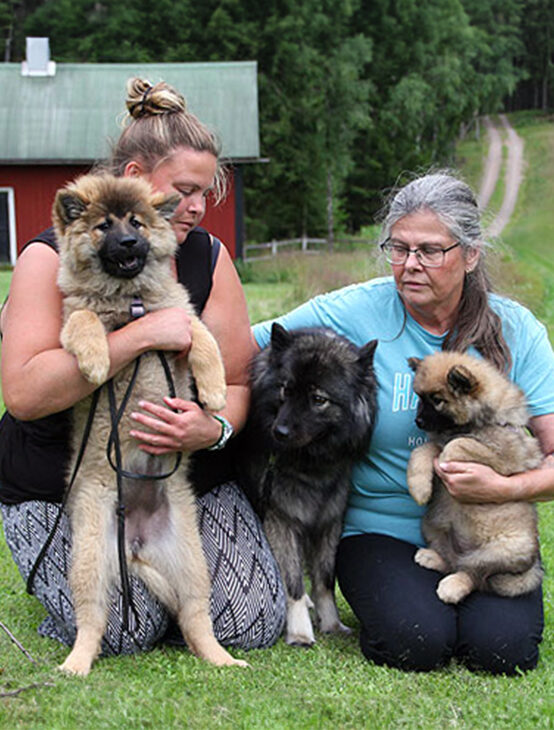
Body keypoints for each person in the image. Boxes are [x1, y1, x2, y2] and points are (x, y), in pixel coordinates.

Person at [0, 77, 285, 657]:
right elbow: (24, 395)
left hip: (173, 477)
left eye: (206, 193)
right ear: (134, 179)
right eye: (185, 190)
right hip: (65, 479)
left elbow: (234, 380)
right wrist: (142, 334)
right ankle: (100, 584)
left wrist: (214, 428)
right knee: (125, 629)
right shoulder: (47, 257)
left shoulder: (207, 255)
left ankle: (164, 581)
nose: (198, 207)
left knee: (250, 623)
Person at [253, 171, 554, 674]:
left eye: (430, 250)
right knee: (416, 641)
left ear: (471, 254)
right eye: (399, 247)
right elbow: (250, 342)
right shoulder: (356, 309)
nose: (410, 264)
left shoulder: (517, 330)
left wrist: (504, 488)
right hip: (379, 530)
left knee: (501, 650)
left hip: (486, 531)